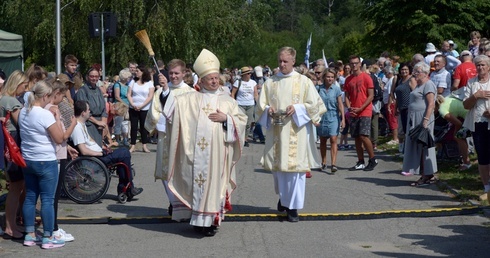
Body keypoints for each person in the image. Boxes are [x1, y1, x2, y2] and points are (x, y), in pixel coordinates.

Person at [165, 49, 247, 236]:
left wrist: (227, 118)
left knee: (215, 186)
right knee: (196, 183)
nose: (214, 81)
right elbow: (170, 112)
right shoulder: (189, 100)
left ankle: (211, 222)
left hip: (218, 154)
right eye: (209, 78)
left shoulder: (227, 101)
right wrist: (165, 89)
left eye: (216, 78)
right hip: (195, 155)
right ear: (200, 81)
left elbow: (242, 121)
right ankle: (197, 220)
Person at [256, 47, 325, 222]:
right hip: (277, 132)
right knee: (279, 171)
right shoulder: (270, 82)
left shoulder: (303, 82)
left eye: (285, 61)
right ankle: (284, 199)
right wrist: (267, 110)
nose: (281, 64)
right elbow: (260, 105)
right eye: (279, 61)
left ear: (293, 61)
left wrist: (297, 108)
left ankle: (293, 208)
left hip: (297, 132)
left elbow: (315, 104)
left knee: (296, 171)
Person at [19, 80, 66, 249]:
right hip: (45, 159)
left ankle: (29, 234)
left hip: (28, 159)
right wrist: (58, 118)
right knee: (47, 199)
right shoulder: (44, 114)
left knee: (31, 197)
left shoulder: (24, 111)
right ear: (45, 96)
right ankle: (48, 236)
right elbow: (59, 138)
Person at [145, 59, 194, 216]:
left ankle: (185, 203)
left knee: (182, 171)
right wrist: (160, 122)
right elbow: (154, 112)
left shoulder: (190, 93)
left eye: (176, 73)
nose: (173, 76)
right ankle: (173, 203)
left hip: (182, 138)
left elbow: (191, 117)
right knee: (166, 172)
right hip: (165, 137)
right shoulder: (160, 92)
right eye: (171, 73)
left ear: (184, 73)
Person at [71, 100, 143, 198]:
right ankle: (127, 189)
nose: (90, 112)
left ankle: (126, 189)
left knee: (123, 155)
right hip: (95, 159)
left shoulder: (81, 124)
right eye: (88, 110)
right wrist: (101, 153)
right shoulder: (76, 128)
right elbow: (83, 151)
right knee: (125, 154)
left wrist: (103, 148)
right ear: (83, 113)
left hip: (98, 154)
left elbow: (90, 142)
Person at [44, 78, 77, 242]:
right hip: (56, 156)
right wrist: (73, 124)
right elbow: (60, 135)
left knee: (53, 195)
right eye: (62, 96)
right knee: (53, 196)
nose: (63, 99)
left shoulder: (50, 108)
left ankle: (53, 226)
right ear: (55, 94)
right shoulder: (51, 110)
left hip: (61, 152)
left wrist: (68, 147)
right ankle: (52, 228)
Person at [0, 70, 27, 239]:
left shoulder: (3, 98)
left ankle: (12, 224)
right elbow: (23, 124)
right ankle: (11, 225)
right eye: (24, 86)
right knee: (16, 187)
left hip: (8, 147)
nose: (25, 90)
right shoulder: (10, 100)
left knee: (15, 187)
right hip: (14, 146)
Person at [401, 62, 438, 184]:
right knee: (417, 146)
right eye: (414, 71)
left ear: (425, 73)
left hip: (422, 118)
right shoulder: (418, 85)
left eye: (417, 72)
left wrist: (425, 120)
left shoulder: (428, 84)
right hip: (414, 118)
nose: (414, 74)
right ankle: (425, 173)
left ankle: (426, 174)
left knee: (423, 146)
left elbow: (431, 104)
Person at [462, 55, 490, 201]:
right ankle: (487, 188)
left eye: (483, 65)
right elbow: (465, 105)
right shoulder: (471, 83)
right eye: (478, 65)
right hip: (477, 123)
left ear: (488, 66)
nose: (480, 67)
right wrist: (476, 95)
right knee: (483, 156)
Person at [344, 55, 378, 171]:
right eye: (352, 63)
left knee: (364, 135)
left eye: (356, 63)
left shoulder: (366, 77)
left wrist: (361, 108)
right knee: (357, 137)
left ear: (360, 64)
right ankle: (360, 161)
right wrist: (349, 108)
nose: (354, 65)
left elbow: (371, 95)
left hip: (365, 110)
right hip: (353, 111)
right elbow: (347, 96)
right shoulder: (348, 79)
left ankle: (372, 159)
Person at [317, 68, 345, 172]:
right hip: (322, 117)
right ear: (324, 77)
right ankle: (324, 162)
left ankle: (333, 164)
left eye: (332, 77)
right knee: (323, 140)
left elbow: (340, 104)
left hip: (333, 116)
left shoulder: (336, 89)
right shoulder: (318, 89)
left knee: (333, 139)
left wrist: (343, 118)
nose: (330, 79)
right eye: (328, 76)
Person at [76, 68, 107, 147]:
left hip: (100, 124)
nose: (94, 78)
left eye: (96, 76)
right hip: (89, 123)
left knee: (99, 147)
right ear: (87, 77)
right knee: (92, 147)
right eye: (92, 76)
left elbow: (104, 109)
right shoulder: (82, 91)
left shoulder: (99, 90)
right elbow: (83, 111)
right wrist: (97, 122)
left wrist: (103, 123)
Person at [127, 65, 154, 153]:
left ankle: (144, 145)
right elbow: (129, 94)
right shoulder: (133, 82)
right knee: (134, 126)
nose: (136, 72)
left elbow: (150, 96)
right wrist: (133, 104)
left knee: (144, 127)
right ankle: (133, 145)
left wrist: (142, 106)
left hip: (144, 108)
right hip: (133, 107)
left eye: (138, 71)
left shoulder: (149, 83)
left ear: (143, 72)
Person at [393, 63, 416, 159]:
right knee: (404, 131)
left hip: (409, 108)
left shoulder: (412, 79)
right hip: (401, 108)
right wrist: (395, 107)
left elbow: (415, 93)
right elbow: (397, 96)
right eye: (402, 69)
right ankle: (405, 150)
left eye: (406, 69)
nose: (404, 71)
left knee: (409, 130)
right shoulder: (400, 81)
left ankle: (409, 151)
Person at [231, 66, 258, 147]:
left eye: (250, 73)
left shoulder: (253, 82)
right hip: (240, 104)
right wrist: (233, 103)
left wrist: (259, 103)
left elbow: (256, 94)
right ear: (244, 75)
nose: (250, 75)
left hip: (250, 105)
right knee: (240, 123)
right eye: (248, 73)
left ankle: (245, 139)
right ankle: (239, 139)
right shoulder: (238, 82)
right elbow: (232, 93)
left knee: (248, 123)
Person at [113, 68, 131, 146]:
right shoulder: (117, 85)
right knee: (118, 123)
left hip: (126, 106)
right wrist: (125, 103)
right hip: (120, 106)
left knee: (125, 123)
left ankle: (125, 139)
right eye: (128, 77)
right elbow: (117, 96)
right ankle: (117, 139)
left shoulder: (127, 85)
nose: (129, 79)